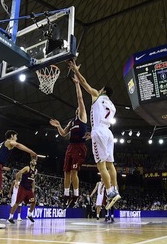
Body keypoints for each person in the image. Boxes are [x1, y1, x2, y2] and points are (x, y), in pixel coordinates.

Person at [68, 59, 121, 210]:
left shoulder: (98, 95)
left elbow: (84, 83)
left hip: (99, 131)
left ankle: (110, 192)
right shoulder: (112, 106)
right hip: (109, 133)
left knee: (101, 165)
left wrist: (76, 71)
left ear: (103, 90)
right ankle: (115, 189)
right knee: (111, 165)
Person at [49, 73, 88, 208]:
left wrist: (77, 84)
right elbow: (63, 134)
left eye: (80, 107)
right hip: (71, 147)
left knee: (73, 172)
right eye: (77, 108)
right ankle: (66, 195)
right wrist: (59, 125)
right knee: (66, 171)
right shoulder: (72, 122)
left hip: (80, 146)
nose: (79, 107)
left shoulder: (82, 117)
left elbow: (80, 98)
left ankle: (76, 194)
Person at [8, 158, 37, 224]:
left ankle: (29, 215)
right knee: (17, 202)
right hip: (23, 187)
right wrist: (16, 181)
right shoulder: (27, 168)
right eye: (33, 160)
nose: (34, 161)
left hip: (29, 189)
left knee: (33, 202)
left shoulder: (35, 171)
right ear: (30, 162)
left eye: (35, 161)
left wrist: (33, 188)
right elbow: (18, 173)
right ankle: (10, 217)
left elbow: (33, 180)